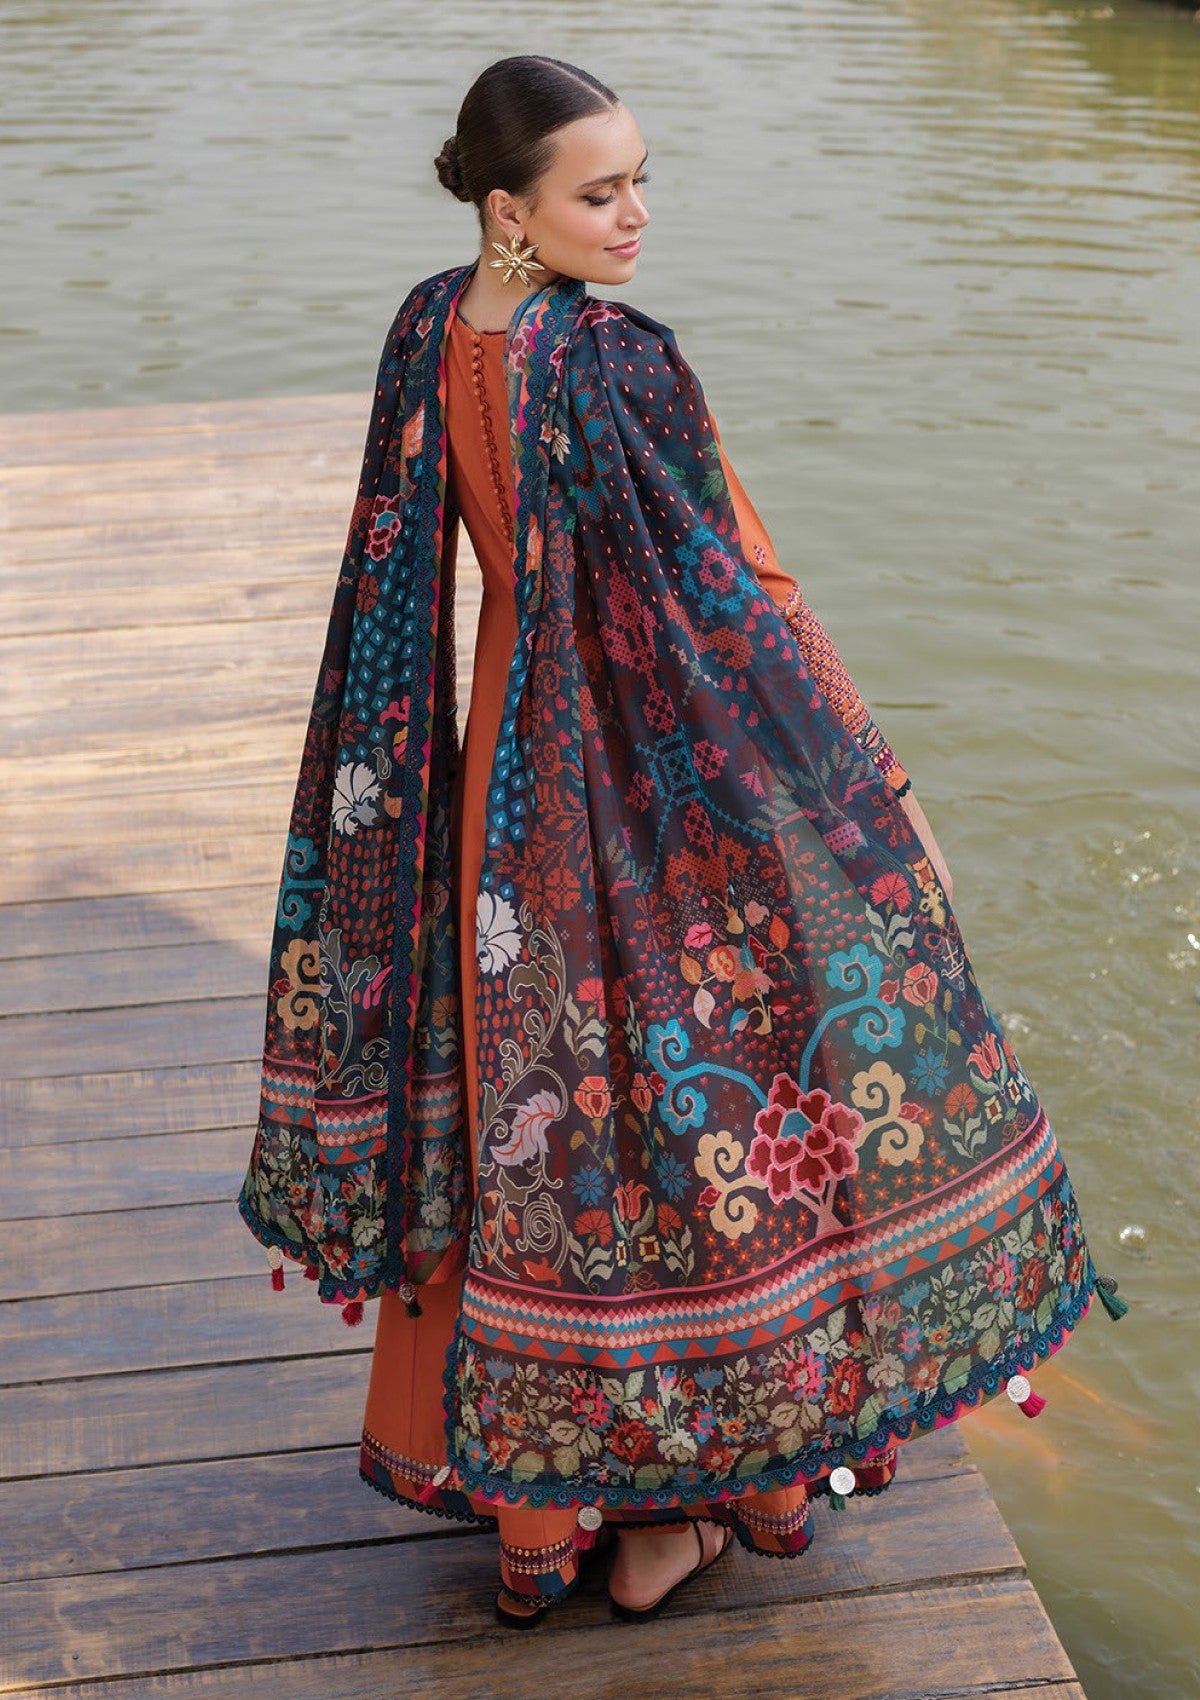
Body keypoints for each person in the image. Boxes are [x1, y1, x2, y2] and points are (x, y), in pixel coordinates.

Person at [239, 54, 1126, 1631]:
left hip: (493, 786)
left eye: (643, 180)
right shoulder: (616, 359)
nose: (637, 214)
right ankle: (677, 1515)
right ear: (512, 210)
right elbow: (742, 583)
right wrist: (871, 783)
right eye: (600, 192)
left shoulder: (429, 331)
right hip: (627, 787)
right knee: (678, 1114)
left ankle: (540, 1512)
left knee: (535, 1116)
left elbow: (401, 571)